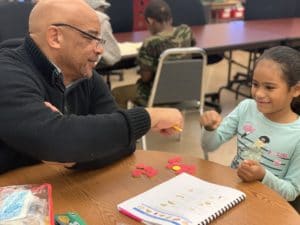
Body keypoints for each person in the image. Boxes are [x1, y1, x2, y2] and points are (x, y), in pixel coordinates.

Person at [0, 0, 184, 174]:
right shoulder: (7, 73)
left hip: (61, 191)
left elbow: (124, 143)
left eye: (100, 39)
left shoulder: (84, 74)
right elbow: (57, 141)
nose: (100, 50)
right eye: (90, 37)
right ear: (55, 37)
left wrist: (73, 156)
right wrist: (148, 117)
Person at [199, 46, 300, 202]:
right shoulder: (246, 107)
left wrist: (262, 176)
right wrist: (209, 128)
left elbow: (291, 191)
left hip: (267, 206)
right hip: (232, 194)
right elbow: (209, 146)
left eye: (269, 87)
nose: (259, 93)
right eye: (255, 84)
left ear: (295, 90)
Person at [111, 0, 195, 109]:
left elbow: (146, 78)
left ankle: (126, 124)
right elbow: (192, 46)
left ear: (150, 21)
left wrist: (141, 68)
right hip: (184, 90)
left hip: (155, 94)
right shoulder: (186, 31)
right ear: (170, 18)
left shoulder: (150, 42)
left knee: (117, 92)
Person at [85, 0, 121, 66]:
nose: (104, 10)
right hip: (95, 63)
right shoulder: (101, 19)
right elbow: (114, 55)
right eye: (102, 7)